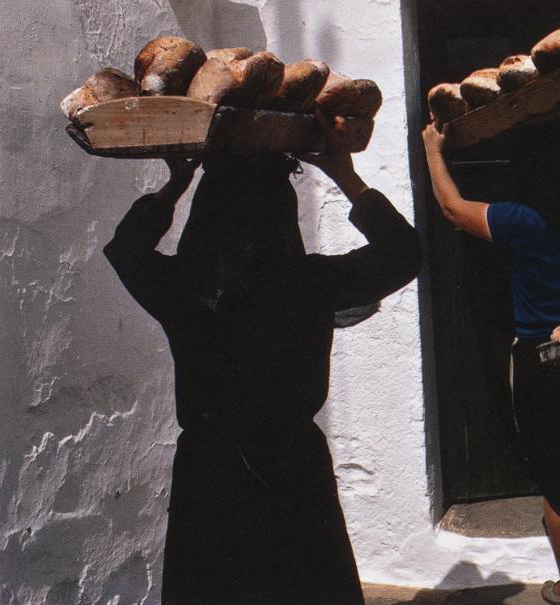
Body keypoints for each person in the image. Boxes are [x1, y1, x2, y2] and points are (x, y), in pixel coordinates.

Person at [103, 118, 422, 605]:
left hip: (210, 477)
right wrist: (345, 175)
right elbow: (404, 253)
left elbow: (125, 248)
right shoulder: (308, 283)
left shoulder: (182, 287)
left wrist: (175, 183)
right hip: (291, 470)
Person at [422, 121, 560, 605]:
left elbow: (452, 208)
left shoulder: (523, 219)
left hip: (548, 356)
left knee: (558, 478)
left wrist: (433, 148)